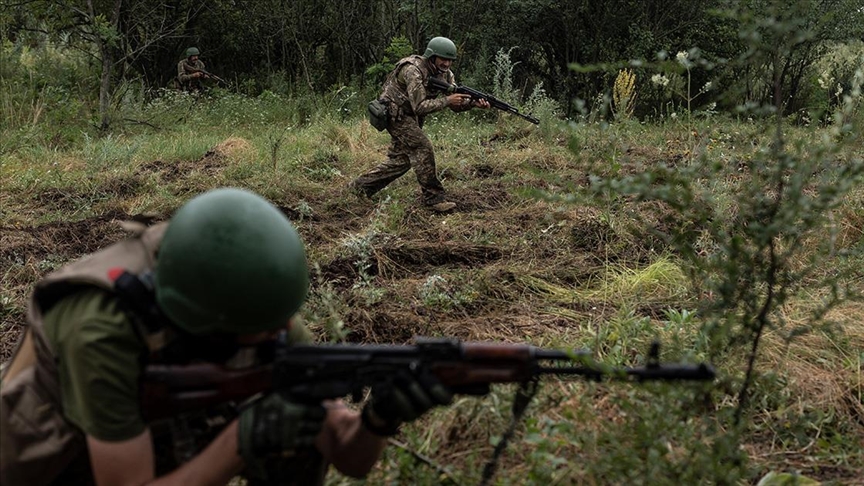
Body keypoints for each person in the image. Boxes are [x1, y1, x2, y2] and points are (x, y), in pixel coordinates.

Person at [0, 187, 453, 486]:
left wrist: (376, 421)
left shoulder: (262, 313)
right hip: (60, 453)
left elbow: (349, 458)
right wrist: (240, 440)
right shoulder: (101, 328)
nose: (283, 334)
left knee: (290, 431)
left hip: (155, 424)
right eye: (266, 329)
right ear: (210, 320)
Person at [350, 36, 490, 213]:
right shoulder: (413, 70)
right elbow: (420, 106)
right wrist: (447, 100)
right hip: (396, 113)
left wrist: (473, 104)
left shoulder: (446, 74)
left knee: (401, 161)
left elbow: (455, 105)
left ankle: (359, 187)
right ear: (432, 56)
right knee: (423, 147)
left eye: (450, 60)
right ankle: (434, 199)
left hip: (411, 116)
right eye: (443, 59)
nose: (446, 64)